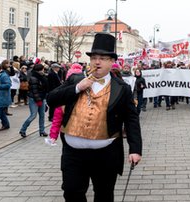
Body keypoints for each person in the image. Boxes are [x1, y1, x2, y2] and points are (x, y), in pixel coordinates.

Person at [47, 33, 142, 202]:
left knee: (104, 195)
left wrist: (135, 149)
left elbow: (131, 119)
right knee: (71, 192)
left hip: (106, 153)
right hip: (73, 153)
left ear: (112, 62)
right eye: (94, 58)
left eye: (103, 58)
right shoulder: (75, 79)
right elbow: (52, 98)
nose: (97, 62)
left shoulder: (121, 88)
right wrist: (76, 88)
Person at [19, 64, 49, 137]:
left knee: (42, 115)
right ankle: (23, 129)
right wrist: (38, 101)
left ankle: (42, 131)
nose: (43, 71)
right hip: (34, 99)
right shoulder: (33, 78)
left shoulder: (42, 77)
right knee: (33, 115)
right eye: (42, 69)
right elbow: (34, 91)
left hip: (41, 98)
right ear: (39, 70)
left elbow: (45, 88)